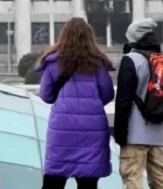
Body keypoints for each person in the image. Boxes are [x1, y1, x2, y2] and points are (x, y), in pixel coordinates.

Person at [34, 17, 115, 189]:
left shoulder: (53, 62)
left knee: (54, 179)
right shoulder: (97, 63)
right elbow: (107, 94)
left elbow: (47, 96)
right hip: (91, 129)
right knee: (88, 181)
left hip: (62, 127)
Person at [114, 18, 163, 189]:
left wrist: (120, 133)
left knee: (132, 178)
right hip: (158, 132)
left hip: (135, 132)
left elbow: (123, 100)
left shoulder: (131, 60)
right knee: (160, 180)